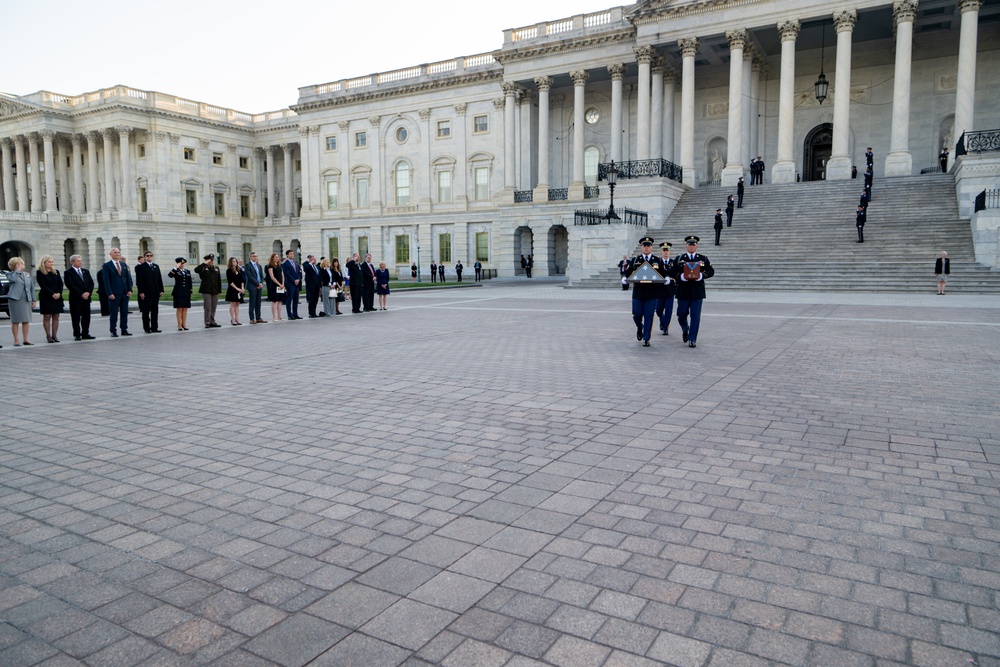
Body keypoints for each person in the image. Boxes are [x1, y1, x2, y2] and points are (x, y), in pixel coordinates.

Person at [625, 236, 669, 348]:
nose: (646, 248)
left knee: (649, 315)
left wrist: (667, 278)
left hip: (652, 292)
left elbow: (664, 273)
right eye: (644, 246)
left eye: (648, 246)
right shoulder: (635, 260)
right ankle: (640, 327)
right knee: (636, 315)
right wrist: (624, 278)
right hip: (638, 292)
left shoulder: (657, 260)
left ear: (651, 247)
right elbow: (628, 272)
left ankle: (646, 338)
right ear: (641, 247)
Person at [673, 235, 715, 348]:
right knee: (681, 314)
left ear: (697, 246)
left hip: (697, 291)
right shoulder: (679, 258)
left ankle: (692, 339)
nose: (691, 246)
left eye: (693, 244)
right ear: (686, 246)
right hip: (683, 291)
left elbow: (711, 271)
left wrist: (702, 275)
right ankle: (685, 328)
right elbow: (672, 271)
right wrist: (680, 276)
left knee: (695, 316)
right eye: (689, 244)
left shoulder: (703, 258)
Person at [101, 247, 134, 337]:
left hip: (124, 292)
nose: (117, 254)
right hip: (114, 293)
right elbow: (106, 281)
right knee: (114, 313)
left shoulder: (123, 264)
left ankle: (124, 329)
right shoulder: (107, 266)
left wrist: (130, 289)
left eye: (118, 252)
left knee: (124, 312)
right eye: (115, 252)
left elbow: (128, 278)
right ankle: (113, 330)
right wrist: (110, 293)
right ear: (110, 254)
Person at [64, 254, 96, 341]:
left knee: (86, 316)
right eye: (78, 261)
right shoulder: (68, 273)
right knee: (76, 317)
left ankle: (85, 333)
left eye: (81, 261)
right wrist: (81, 294)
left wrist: (88, 293)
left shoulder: (85, 271)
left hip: (86, 298)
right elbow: (71, 285)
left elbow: (91, 283)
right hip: (76, 298)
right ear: (72, 262)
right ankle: (77, 334)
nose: (80, 263)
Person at [6, 257, 35, 346]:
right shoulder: (10, 274)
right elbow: (12, 280)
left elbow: (31, 288)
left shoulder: (27, 274)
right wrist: (17, 271)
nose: (21, 265)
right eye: (18, 264)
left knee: (26, 320)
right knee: (15, 320)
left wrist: (33, 300)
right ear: (13, 266)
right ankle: (16, 340)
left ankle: (26, 339)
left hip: (26, 299)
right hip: (15, 299)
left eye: (21, 264)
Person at [36, 255, 65, 343]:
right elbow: (43, 285)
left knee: (56, 316)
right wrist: (52, 294)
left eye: (52, 262)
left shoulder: (56, 272)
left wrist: (59, 293)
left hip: (57, 296)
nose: (51, 263)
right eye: (49, 262)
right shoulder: (40, 272)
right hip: (46, 297)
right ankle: (48, 336)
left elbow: (60, 283)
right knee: (47, 316)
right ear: (44, 263)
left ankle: (54, 335)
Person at [135, 250, 164, 334]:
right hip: (146, 292)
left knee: (155, 310)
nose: (149, 257)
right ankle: (147, 328)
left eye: (151, 255)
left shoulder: (156, 266)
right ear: (144, 257)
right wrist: (141, 292)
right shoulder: (141, 267)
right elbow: (139, 281)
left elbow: (159, 279)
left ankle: (154, 327)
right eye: (147, 255)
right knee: (146, 311)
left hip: (156, 292)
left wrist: (161, 290)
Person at [194, 254, 222, 328]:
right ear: (207, 260)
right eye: (210, 260)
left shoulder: (216, 268)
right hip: (206, 290)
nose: (212, 261)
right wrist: (204, 263)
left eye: (213, 260)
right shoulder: (203, 268)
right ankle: (207, 322)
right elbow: (196, 270)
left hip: (215, 290)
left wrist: (219, 290)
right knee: (207, 307)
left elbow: (219, 280)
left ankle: (212, 321)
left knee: (214, 306)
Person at [656, 242, 676, 336]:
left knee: (668, 310)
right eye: (664, 250)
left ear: (670, 251)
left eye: (667, 250)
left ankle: (665, 327)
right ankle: (662, 319)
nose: (665, 252)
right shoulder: (657, 263)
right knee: (658, 309)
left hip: (670, 290)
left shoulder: (674, 262)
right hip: (659, 289)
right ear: (661, 251)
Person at [168, 257, 192, 330]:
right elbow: (170, 275)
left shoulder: (187, 271)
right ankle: (179, 325)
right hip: (178, 291)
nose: (182, 265)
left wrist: (190, 291)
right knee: (179, 308)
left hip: (186, 292)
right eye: (180, 263)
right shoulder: (176, 271)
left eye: (183, 263)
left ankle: (184, 324)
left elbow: (189, 282)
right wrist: (175, 268)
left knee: (185, 308)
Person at [244, 251, 267, 323]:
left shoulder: (258, 266)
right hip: (252, 286)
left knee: (258, 302)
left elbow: (261, 276)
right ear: (250, 257)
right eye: (253, 256)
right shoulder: (248, 265)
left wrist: (261, 283)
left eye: (256, 256)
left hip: (259, 286)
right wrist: (257, 284)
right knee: (252, 302)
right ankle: (251, 318)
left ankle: (258, 317)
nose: (255, 257)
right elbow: (250, 277)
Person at [281, 250, 302, 320]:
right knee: (289, 299)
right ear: (287, 255)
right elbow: (286, 274)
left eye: (293, 254)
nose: (292, 255)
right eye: (290, 254)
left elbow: (299, 272)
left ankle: (295, 314)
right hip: (290, 283)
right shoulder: (285, 264)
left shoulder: (295, 263)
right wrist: (293, 280)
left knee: (296, 299)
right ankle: (289, 314)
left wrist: (298, 279)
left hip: (297, 283)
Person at [225, 257, 245, 325]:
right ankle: (233, 319)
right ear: (231, 262)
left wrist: (242, 288)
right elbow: (230, 281)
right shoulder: (229, 270)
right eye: (233, 261)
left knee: (237, 304)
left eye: (236, 261)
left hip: (239, 289)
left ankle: (237, 318)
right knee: (233, 304)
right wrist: (236, 288)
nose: (235, 262)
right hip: (232, 289)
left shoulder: (239, 270)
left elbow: (242, 280)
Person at [265, 253, 285, 321]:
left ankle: (280, 316)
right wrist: (279, 284)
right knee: (274, 300)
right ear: (273, 258)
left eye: (278, 257)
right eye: (276, 257)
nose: (277, 258)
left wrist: (282, 283)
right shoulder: (270, 266)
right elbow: (272, 276)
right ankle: (274, 316)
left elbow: (282, 275)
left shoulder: (280, 265)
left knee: (280, 300)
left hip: (281, 285)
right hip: (274, 285)